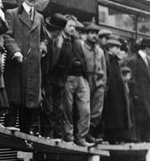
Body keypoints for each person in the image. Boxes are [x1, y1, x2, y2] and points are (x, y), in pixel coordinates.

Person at [2, 0, 47, 134]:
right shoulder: (12, 14)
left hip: (33, 65)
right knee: (14, 96)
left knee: (30, 99)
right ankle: (9, 126)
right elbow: (6, 36)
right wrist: (15, 51)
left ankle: (26, 133)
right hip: (17, 63)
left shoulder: (40, 18)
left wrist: (42, 48)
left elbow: (43, 38)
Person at [55, 16, 92, 146]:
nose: (72, 29)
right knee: (67, 109)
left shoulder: (77, 43)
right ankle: (69, 137)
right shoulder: (60, 40)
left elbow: (85, 60)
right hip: (67, 77)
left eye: (73, 26)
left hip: (81, 78)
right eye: (69, 26)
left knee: (85, 109)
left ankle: (81, 137)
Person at [125, 37, 150, 142]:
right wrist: (135, 95)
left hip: (148, 98)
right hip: (140, 98)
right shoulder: (134, 60)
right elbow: (131, 79)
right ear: (147, 48)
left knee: (148, 122)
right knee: (139, 122)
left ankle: (146, 143)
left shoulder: (147, 60)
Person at [40, 12, 68, 138]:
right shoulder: (46, 39)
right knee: (47, 107)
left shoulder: (60, 41)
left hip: (56, 79)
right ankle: (48, 133)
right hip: (46, 78)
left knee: (56, 109)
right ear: (57, 30)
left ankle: (55, 134)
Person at [103, 37, 132, 144]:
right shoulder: (108, 59)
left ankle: (115, 138)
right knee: (112, 115)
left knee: (117, 114)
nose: (119, 50)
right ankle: (111, 138)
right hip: (111, 92)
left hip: (116, 91)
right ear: (110, 48)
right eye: (116, 47)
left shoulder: (114, 59)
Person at [81, 22, 106, 142]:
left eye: (96, 33)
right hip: (86, 79)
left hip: (98, 82)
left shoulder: (100, 51)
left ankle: (90, 132)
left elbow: (104, 68)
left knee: (97, 111)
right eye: (91, 33)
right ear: (86, 34)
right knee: (85, 109)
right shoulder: (81, 47)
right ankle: (83, 134)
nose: (94, 36)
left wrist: (103, 83)